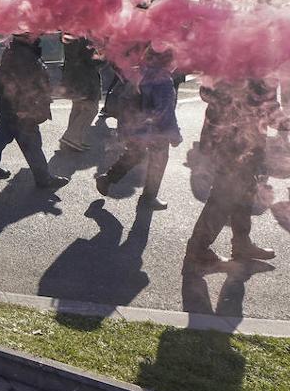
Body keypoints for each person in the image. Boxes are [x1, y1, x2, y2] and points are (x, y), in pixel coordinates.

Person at [185, 79, 278, 267]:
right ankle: (199, 248)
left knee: (245, 192)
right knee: (224, 195)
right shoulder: (249, 66)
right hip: (234, 141)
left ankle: (242, 243)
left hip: (239, 140)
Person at [95, 47, 181, 211]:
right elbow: (165, 113)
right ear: (168, 61)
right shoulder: (163, 80)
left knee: (134, 154)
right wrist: (175, 136)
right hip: (155, 131)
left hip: (135, 125)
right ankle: (149, 198)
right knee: (159, 161)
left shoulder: (139, 72)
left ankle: (107, 179)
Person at [0, 33, 69, 189]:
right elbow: (22, 86)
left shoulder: (17, 50)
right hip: (22, 110)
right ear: (26, 36)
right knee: (32, 144)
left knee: (1, 136)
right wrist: (25, 110)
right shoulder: (23, 54)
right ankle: (44, 179)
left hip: (10, 108)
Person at [59, 35, 102, 152]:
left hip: (74, 77)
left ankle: (74, 139)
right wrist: (104, 58)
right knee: (90, 109)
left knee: (78, 108)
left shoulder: (71, 32)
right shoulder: (84, 37)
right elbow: (91, 60)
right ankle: (71, 138)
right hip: (85, 78)